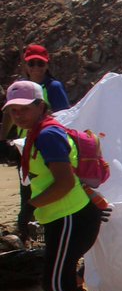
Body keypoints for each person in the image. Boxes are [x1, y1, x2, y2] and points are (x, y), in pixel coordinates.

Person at [3, 80, 122, 291]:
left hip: (72, 216)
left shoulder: (47, 136)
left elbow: (65, 182)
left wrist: (33, 205)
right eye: (12, 110)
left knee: (55, 284)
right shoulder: (36, 134)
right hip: (60, 217)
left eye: (23, 109)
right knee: (65, 279)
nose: (17, 115)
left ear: (39, 106)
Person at [7, 44, 71, 246]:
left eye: (40, 63)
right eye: (31, 63)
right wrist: (3, 140)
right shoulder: (19, 86)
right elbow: (7, 116)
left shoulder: (53, 88)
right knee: (27, 187)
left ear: (46, 64)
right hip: (24, 148)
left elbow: (65, 116)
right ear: (25, 64)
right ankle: (30, 232)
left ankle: (40, 232)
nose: (36, 67)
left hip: (45, 147)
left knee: (44, 187)